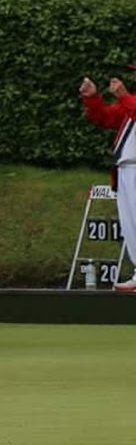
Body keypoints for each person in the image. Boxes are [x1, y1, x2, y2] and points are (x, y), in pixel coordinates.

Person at [79, 75, 136, 291]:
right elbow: (106, 118)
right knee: (131, 226)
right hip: (126, 169)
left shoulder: (130, 100)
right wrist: (92, 98)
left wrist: (123, 95)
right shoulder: (130, 101)